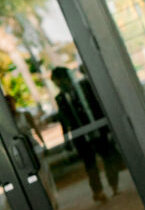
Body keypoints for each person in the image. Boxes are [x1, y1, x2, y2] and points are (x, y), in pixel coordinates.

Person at [50, 66, 122, 202]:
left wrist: (107, 126)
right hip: (80, 136)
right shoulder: (60, 98)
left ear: (66, 78)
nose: (58, 84)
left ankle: (114, 186)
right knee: (90, 164)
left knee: (107, 157)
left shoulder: (84, 87)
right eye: (56, 82)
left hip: (96, 129)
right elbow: (64, 120)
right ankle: (98, 191)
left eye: (59, 80)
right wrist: (67, 139)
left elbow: (97, 106)